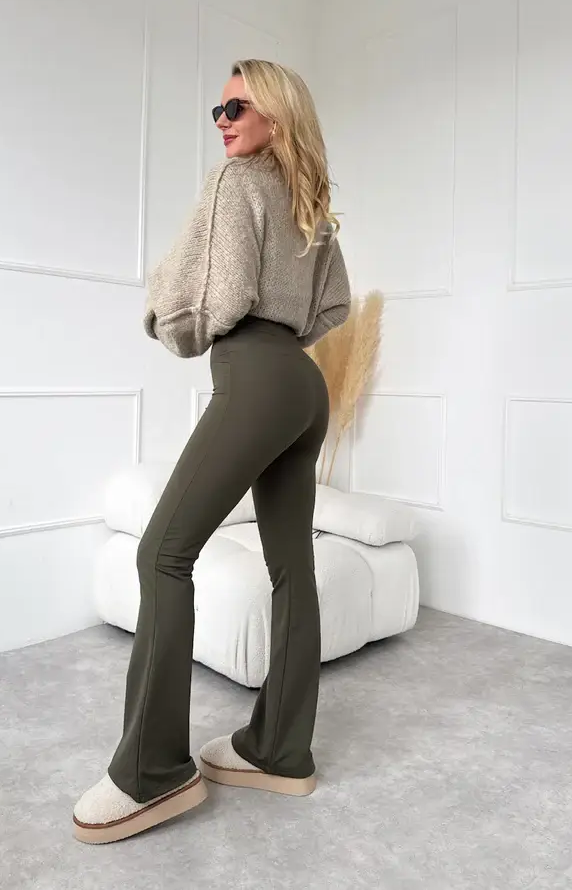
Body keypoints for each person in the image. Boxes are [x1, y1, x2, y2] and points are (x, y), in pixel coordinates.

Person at [72, 58, 351, 844]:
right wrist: (279, 331)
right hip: (303, 384)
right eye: (218, 109)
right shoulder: (311, 204)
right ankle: (279, 750)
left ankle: (152, 772)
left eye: (238, 107)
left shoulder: (236, 183)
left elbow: (213, 300)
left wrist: (170, 318)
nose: (223, 121)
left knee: (162, 551)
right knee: (293, 567)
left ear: (276, 115)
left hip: (257, 377)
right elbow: (334, 304)